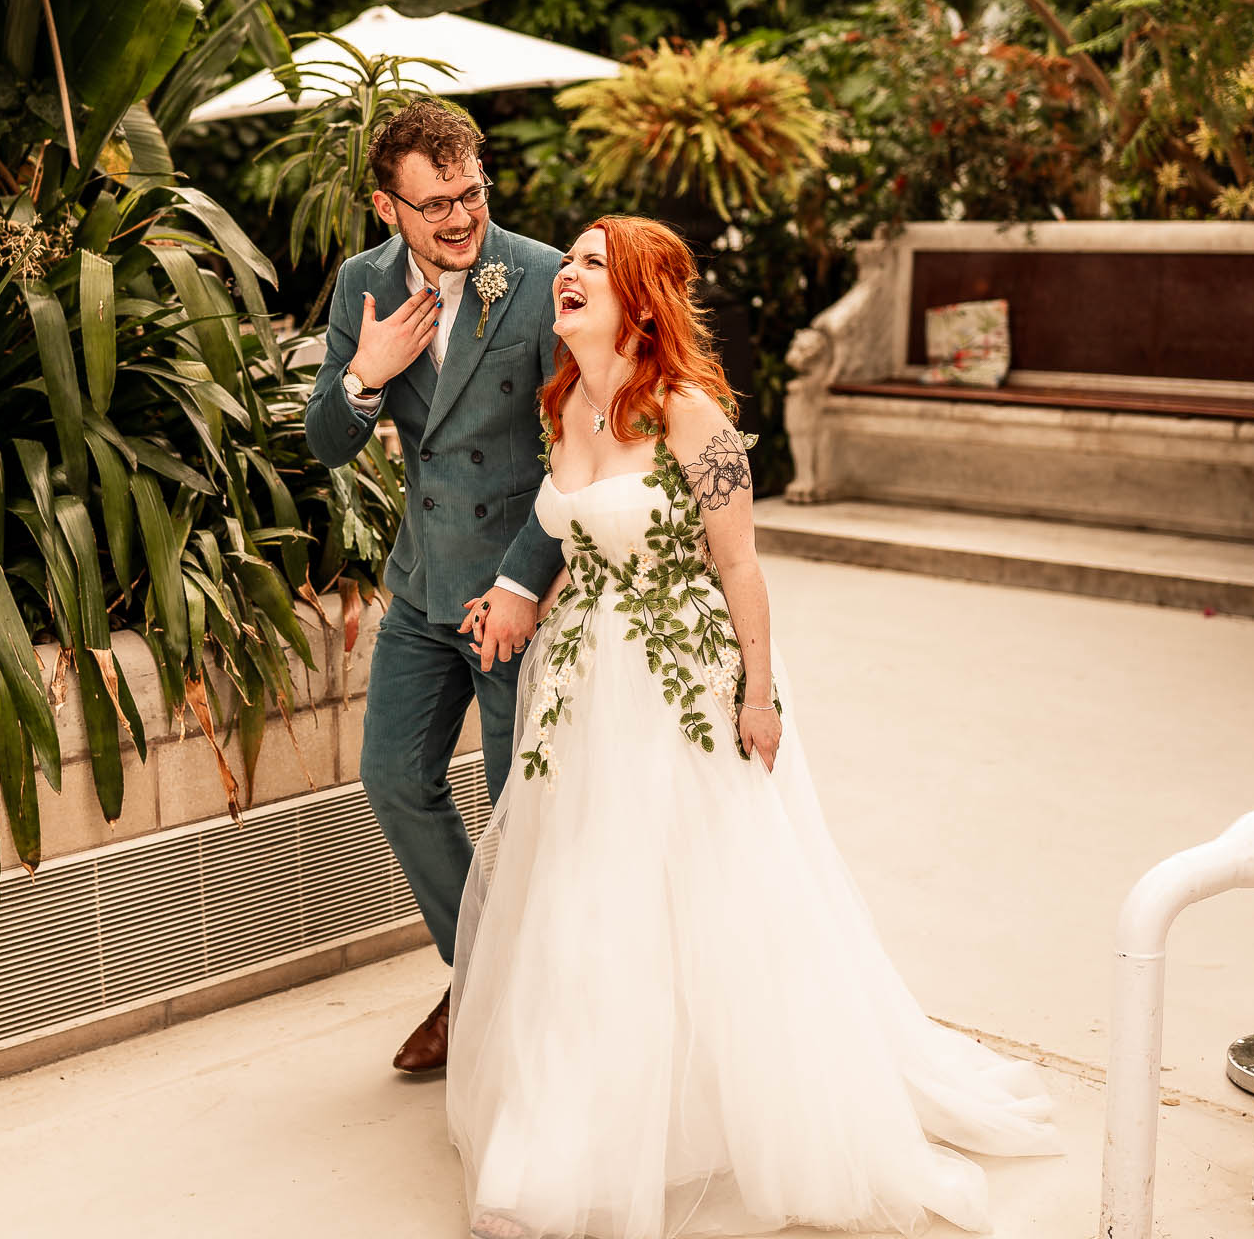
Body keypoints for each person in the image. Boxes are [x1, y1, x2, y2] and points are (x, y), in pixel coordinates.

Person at [446, 216, 1059, 1239]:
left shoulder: (690, 415)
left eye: (595, 263)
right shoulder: (567, 408)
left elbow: (739, 565)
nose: (571, 274)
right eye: (572, 260)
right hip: (582, 689)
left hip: (679, 687)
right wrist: (524, 602)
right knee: (587, 897)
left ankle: (739, 1109)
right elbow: (583, 543)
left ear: (640, 296)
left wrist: (759, 692)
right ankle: (586, 1121)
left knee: (712, 893)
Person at [304, 99, 566, 1075]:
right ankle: (490, 979)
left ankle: (517, 1022)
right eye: (435, 205)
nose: (461, 220)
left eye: (471, 194)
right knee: (395, 779)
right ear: (388, 206)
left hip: (517, 593)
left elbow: (574, 459)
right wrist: (366, 376)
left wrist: (525, 586)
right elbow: (326, 444)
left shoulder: (542, 278)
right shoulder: (362, 285)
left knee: (517, 812)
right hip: (421, 587)